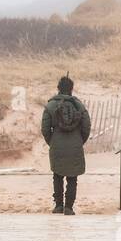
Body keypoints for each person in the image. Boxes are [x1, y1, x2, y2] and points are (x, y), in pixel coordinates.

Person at [40, 75, 91, 214]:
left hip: (57, 144)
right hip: (75, 144)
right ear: (71, 89)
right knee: (72, 177)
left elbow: (45, 129)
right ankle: (69, 207)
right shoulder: (79, 105)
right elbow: (86, 126)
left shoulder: (50, 105)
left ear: (58, 88)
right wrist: (80, 141)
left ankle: (58, 205)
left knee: (57, 175)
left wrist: (52, 142)